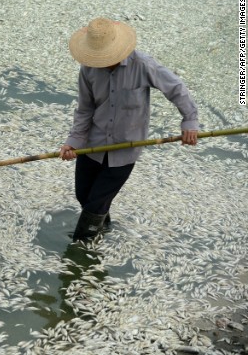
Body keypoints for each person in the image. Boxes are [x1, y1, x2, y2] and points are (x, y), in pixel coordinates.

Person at [60, 17, 199, 241]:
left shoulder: (143, 65)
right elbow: (85, 109)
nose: (101, 61)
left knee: (95, 203)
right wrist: (73, 141)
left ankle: (82, 245)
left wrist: (189, 121)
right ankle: (104, 228)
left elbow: (176, 88)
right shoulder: (88, 69)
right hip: (92, 146)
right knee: (84, 195)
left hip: (125, 150)